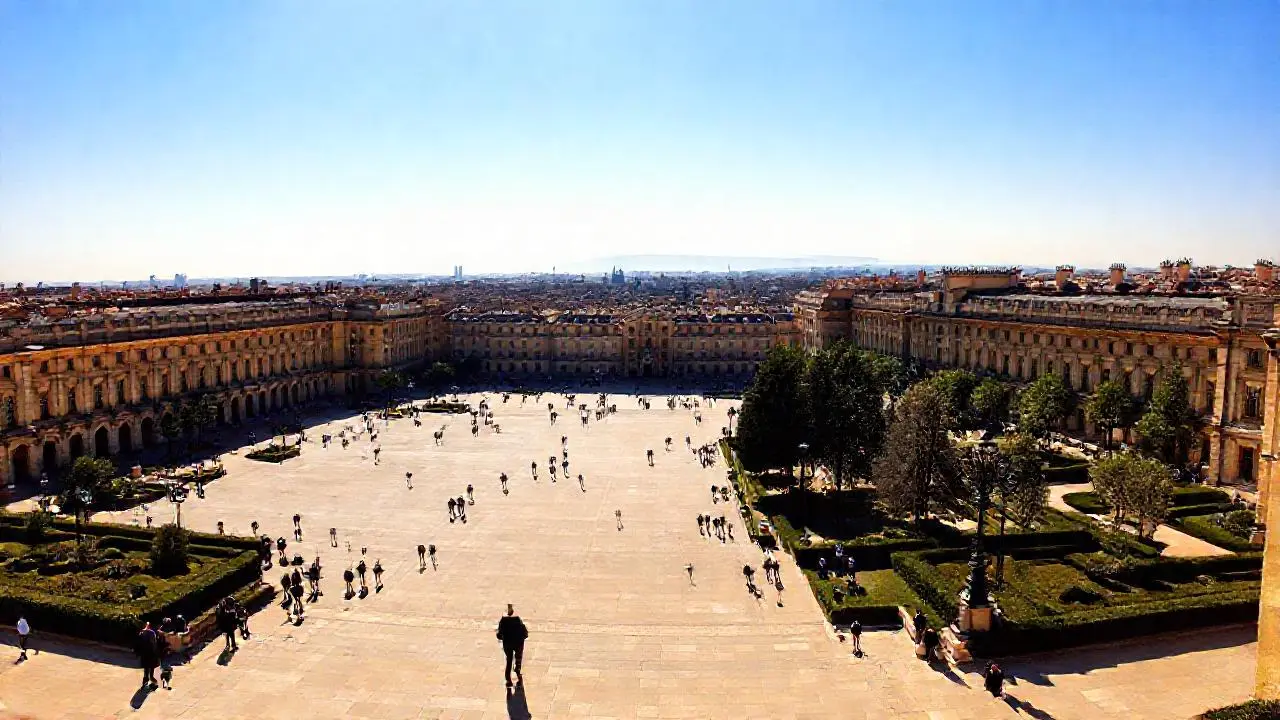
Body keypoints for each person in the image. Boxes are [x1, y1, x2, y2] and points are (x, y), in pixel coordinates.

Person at [496, 604, 529, 687]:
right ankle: (517, 671)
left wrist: (503, 637)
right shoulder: (517, 620)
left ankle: (508, 680)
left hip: (508, 643)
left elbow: (499, 634)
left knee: (509, 661)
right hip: (518, 642)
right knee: (518, 658)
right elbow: (524, 632)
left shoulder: (503, 621)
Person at [135, 621, 161, 689]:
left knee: (146, 669)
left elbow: (138, 645)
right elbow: (154, 644)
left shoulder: (141, 633)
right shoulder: (152, 632)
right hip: (151, 654)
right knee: (151, 669)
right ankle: (154, 682)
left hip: (144, 654)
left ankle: (145, 682)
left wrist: (138, 653)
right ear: (148, 626)